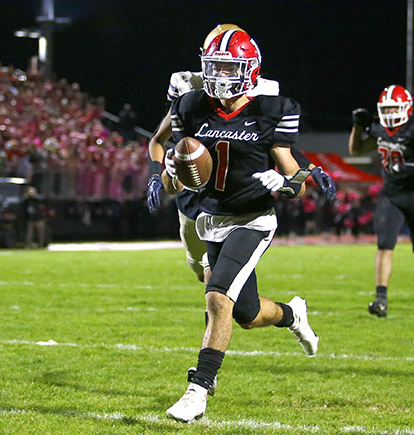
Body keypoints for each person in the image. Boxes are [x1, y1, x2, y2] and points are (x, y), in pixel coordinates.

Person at [163, 29, 320, 423]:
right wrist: (169, 169)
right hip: (210, 219)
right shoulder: (192, 106)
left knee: (217, 298)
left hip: (252, 220)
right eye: (213, 67)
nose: (218, 75)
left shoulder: (273, 110)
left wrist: (285, 183)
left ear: (249, 69)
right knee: (246, 314)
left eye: (227, 67)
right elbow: (175, 184)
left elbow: (298, 179)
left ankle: (198, 390)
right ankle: (292, 315)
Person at [146, 23, 336, 284]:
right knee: (200, 269)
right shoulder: (185, 84)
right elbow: (165, 136)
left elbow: (273, 142)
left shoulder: (261, 90)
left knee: (218, 278)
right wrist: (159, 172)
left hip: (235, 187)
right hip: (193, 181)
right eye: (215, 58)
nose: (222, 69)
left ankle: (225, 303)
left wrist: (310, 167)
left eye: (230, 62)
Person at [348, 85, 414, 317]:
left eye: (393, 108)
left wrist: (408, 167)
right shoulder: (379, 128)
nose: (388, 113)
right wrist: (358, 127)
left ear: (406, 108)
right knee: (385, 244)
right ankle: (380, 300)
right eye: (385, 109)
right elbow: (356, 150)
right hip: (391, 193)